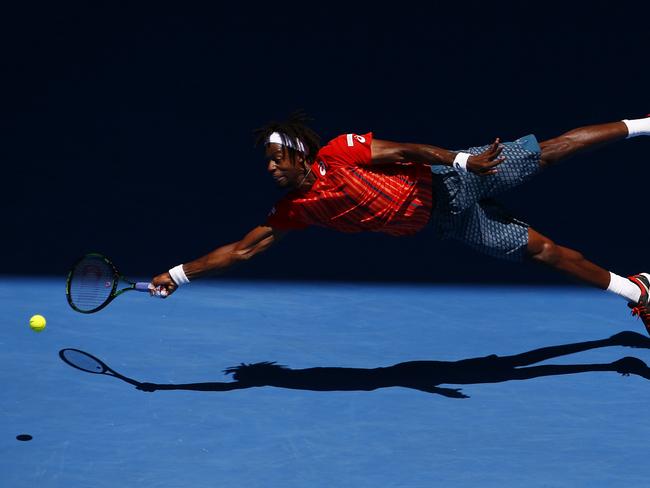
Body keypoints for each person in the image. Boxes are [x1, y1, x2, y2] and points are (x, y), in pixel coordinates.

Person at [150, 112, 650, 332]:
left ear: (301, 154)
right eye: (267, 161)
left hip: (454, 181)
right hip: (449, 222)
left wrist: (462, 162)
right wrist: (176, 276)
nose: (271, 166)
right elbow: (241, 250)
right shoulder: (293, 211)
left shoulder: (339, 151)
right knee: (546, 253)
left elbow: (407, 149)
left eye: (277, 157)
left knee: (551, 152)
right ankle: (640, 294)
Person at [135, 331, 650, 398]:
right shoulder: (284, 377)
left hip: (421, 371)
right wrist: (165, 386)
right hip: (418, 373)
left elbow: (223, 389)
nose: (252, 379)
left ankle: (617, 350)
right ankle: (615, 356)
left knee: (521, 367)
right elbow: (225, 387)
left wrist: (164, 386)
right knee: (519, 367)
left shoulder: (288, 379)